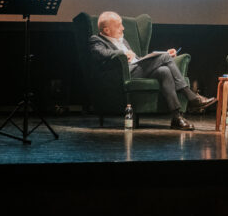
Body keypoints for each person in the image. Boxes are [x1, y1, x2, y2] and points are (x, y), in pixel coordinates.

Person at [88, 11, 216, 130]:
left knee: (164, 71)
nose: (123, 28)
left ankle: (176, 117)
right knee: (164, 59)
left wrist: (162, 55)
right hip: (123, 74)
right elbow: (102, 53)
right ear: (107, 30)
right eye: (119, 25)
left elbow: (137, 60)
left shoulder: (122, 40)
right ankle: (191, 97)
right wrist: (122, 53)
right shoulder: (96, 40)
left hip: (136, 69)